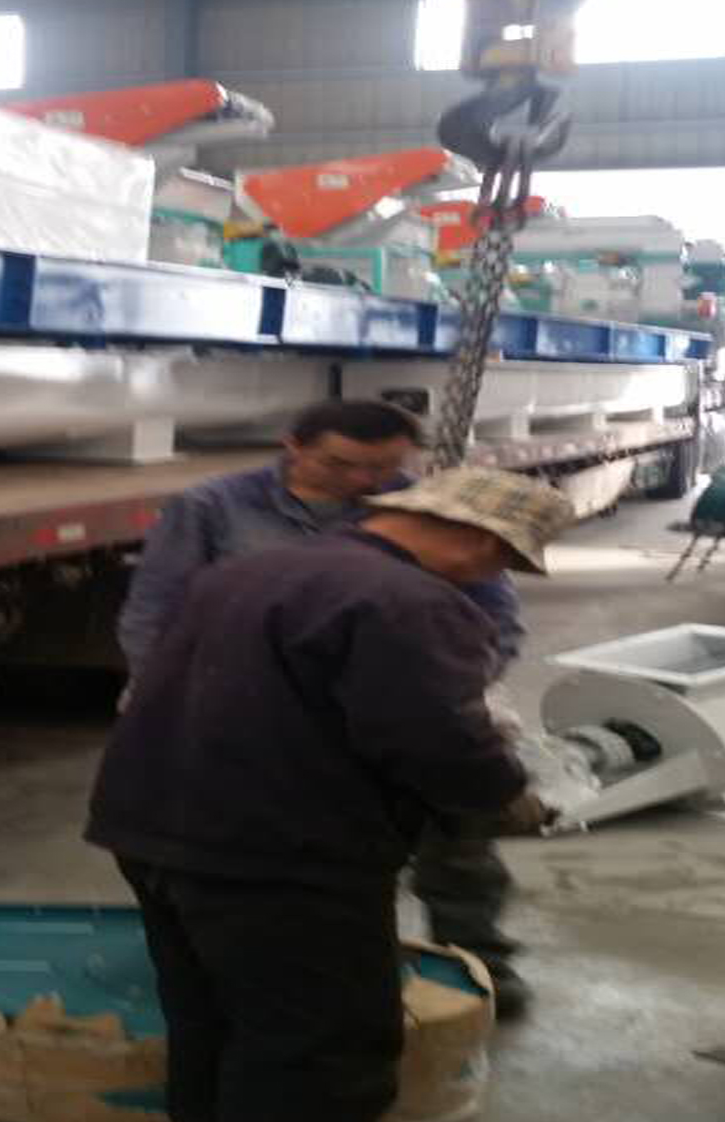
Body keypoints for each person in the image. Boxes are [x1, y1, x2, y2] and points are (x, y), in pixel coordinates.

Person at [88, 468, 575, 1122]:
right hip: (279, 857)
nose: (486, 577)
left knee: (211, 1023)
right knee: (321, 1055)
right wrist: (508, 795)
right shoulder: (410, 601)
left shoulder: (246, 572)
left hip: (153, 828)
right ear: (481, 541)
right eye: (501, 562)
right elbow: (435, 738)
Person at [116, 399, 537, 1015]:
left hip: (399, 697)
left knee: (454, 834)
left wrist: (449, 691)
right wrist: (173, 697)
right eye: (343, 464)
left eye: (384, 467)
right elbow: (154, 614)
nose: (365, 481)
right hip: (260, 708)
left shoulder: (424, 514)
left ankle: (476, 953)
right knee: (286, 853)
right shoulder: (214, 508)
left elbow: (495, 621)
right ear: (294, 445)